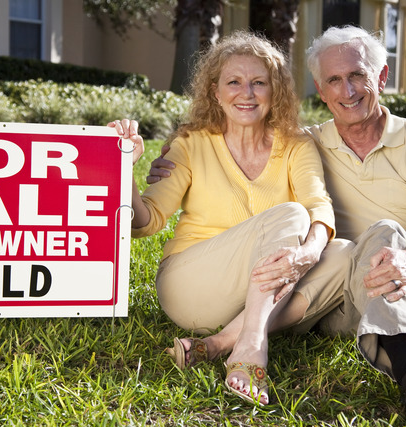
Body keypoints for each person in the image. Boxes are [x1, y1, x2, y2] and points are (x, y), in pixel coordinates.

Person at [147, 26, 406, 427]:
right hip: (336, 289)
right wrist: (155, 162)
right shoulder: (308, 141)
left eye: (357, 75)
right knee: (380, 234)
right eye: (334, 80)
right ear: (320, 89)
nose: (346, 90)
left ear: (381, 77)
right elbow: (257, 155)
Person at [110, 31, 353, 405]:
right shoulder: (190, 145)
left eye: (259, 83)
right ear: (214, 92)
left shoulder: (296, 144)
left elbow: (319, 206)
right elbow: (146, 222)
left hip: (256, 292)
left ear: (275, 91)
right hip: (191, 285)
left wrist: (308, 253)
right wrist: (123, 168)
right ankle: (253, 344)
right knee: (291, 214)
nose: (247, 93)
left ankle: (222, 342)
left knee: (343, 254)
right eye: (234, 82)